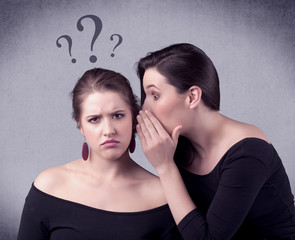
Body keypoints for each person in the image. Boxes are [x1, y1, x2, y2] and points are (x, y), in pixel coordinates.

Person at [136, 43, 295, 239]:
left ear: (192, 96)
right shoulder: (178, 144)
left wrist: (165, 167)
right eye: (146, 96)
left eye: (155, 95)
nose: (145, 109)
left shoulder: (248, 152)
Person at [17, 68, 182, 239]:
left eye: (117, 116)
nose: (109, 130)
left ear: (133, 118)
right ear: (80, 125)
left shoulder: (162, 196)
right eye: (94, 119)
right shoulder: (49, 185)